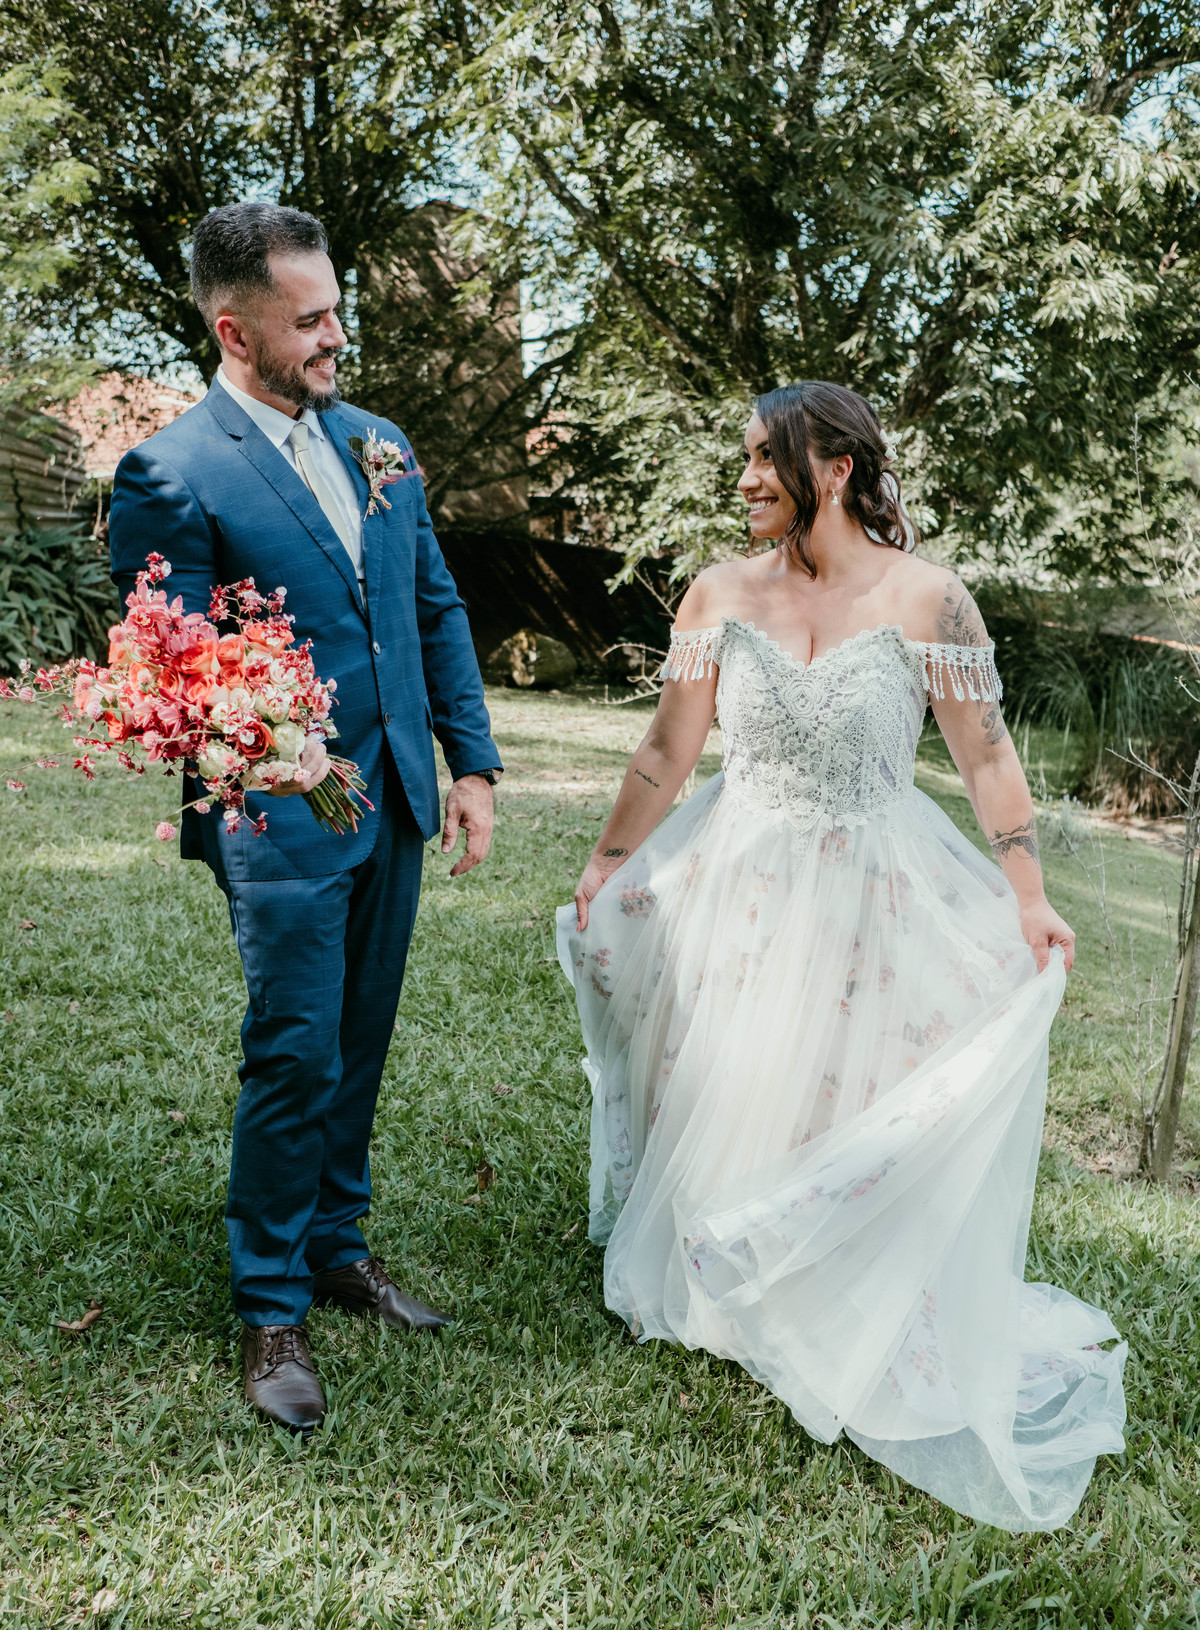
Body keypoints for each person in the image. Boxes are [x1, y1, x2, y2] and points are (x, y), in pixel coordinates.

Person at [556, 381, 1127, 1530]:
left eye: (765, 460)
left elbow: (987, 760)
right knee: (731, 1073)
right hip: (743, 874)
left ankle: (829, 1283)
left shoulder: (929, 599)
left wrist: (1029, 896)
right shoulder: (717, 592)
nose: (746, 481)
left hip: (874, 878)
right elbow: (670, 747)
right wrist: (610, 860)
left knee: (842, 1075)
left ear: (833, 469)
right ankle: (725, 1277)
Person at [109, 202, 502, 1434]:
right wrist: (312, 774)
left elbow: (431, 605)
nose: (338, 335)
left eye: (338, 308)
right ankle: (271, 1300)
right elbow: (174, 666)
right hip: (279, 810)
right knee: (297, 1046)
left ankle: (337, 1244)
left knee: (364, 1031)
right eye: (311, 318)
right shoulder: (171, 471)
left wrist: (470, 766)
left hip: (393, 795)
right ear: (237, 330)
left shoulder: (380, 443)